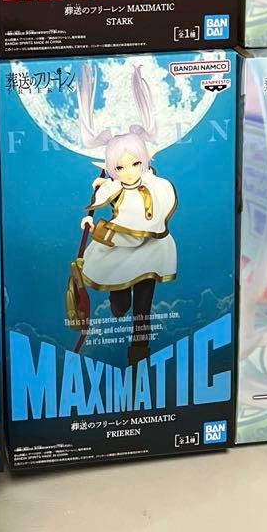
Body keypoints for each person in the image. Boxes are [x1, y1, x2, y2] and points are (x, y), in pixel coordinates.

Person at [74, 63, 177, 366]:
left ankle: (139, 351)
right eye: (120, 167)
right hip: (120, 246)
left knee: (143, 305)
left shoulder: (157, 185)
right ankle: (118, 297)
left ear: (144, 160)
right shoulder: (112, 186)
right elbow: (100, 201)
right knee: (121, 301)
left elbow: (157, 211)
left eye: (135, 163)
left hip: (151, 248)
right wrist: (91, 217)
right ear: (111, 167)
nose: (129, 171)